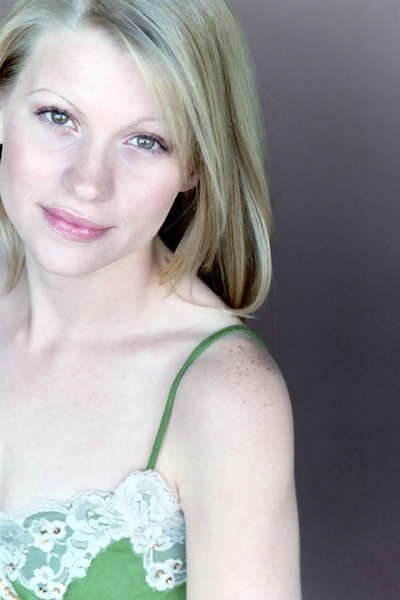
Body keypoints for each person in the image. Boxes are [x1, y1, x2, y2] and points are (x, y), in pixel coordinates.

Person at [0, 0, 300, 598]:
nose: (88, 182)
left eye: (145, 140)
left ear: (196, 165)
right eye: (58, 116)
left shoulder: (226, 397)